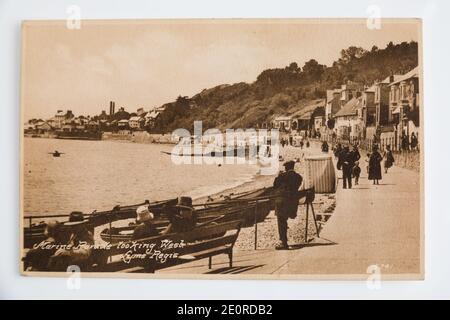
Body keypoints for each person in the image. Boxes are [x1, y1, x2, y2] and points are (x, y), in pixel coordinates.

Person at [273, 160, 303, 250]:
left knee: (281, 220)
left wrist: (278, 176)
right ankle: (283, 240)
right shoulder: (299, 177)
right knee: (283, 220)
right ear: (293, 167)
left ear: (286, 168)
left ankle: (283, 242)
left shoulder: (282, 176)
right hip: (293, 204)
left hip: (283, 203)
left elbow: (275, 186)